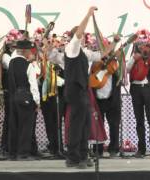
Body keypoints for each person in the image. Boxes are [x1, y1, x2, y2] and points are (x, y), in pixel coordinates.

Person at [63, 6, 107, 169]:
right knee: (77, 124)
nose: (83, 38)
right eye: (81, 36)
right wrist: (88, 15)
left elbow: (102, 54)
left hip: (82, 91)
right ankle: (73, 157)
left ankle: (82, 154)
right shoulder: (72, 48)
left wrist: (116, 43)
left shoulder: (84, 52)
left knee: (85, 123)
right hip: (74, 90)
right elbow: (79, 33)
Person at [126, 29, 150, 158]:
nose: (141, 45)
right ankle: (141, 149)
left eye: (144, 43)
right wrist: (134, 59)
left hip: (149, 88)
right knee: (139, 120)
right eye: (139, 43)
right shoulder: (133, 55)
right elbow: (127, 69)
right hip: (136, 89)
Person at [7, 39, 40, 160]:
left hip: (14, 96)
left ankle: (12, 152)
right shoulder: (28, 65)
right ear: (25, 51)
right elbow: (33, 84)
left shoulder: (11, 63)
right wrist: (37, 101)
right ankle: (23, 153)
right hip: (26, 95)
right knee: (26, 126)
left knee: (14, 125)